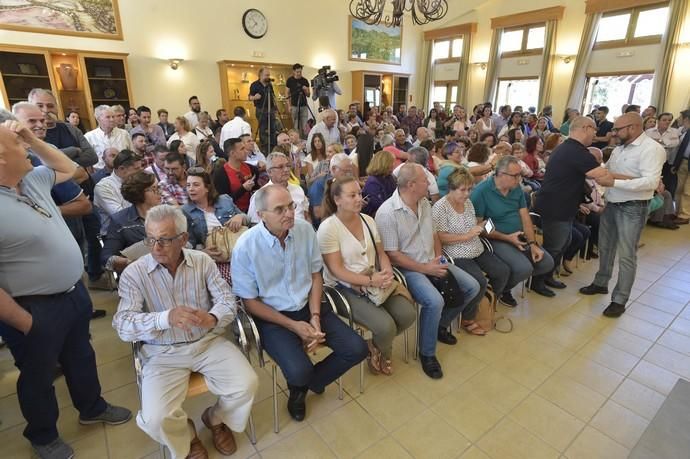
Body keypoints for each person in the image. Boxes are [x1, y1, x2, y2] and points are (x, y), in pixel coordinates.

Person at [0, 118, 131, 459]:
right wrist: (25, 323)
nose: (27, 147)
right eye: (19, 145)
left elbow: (71, 169)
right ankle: (43, 435)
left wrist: (29, 137)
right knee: (38, 375)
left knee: (81, 356)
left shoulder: (31, 180)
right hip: (32, 307)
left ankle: (92, 407)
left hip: (72, 293)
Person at [114, 205, 257, 459]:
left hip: (206, 342)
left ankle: (215, 419)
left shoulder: (202, 261)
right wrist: (164, 318)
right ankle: (188, 436)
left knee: (246, 384)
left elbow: (227, 300)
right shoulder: (135, 273)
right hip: (162, 352)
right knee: (156, 418)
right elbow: (123, 325)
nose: (156, 247)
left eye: (165, 240)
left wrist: (212, 317)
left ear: (183, 239)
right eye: (151, 239)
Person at [231, 185, 367, 421]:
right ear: (261, 215)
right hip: (273, 317)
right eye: (280, 209)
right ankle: (298, 390)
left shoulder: (304, 230)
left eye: (291, 206)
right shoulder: (246, 246)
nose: (290, 213)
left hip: (310, 305)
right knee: (299, 369)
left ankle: (309, 382)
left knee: (357, 349)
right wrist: (294, 327)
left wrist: (314, 317)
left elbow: (316, 275)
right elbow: (250, 303)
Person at [375, 164, 481, 379]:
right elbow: (392, 254)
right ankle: (427, 353)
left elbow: (434, 236)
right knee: (435, 301)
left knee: (472, 287)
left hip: (431, 260)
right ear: (411, 185)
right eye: (425, 179)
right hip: (408, 268)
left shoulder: (424, 203)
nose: (431, 182)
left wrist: (439, 260)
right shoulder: (387, 213)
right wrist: (426, 269)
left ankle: (440, 326)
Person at [317, 176, 415, 375]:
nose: (359, 199)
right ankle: (383, 352)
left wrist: (386, 270)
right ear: (337, 200)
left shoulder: (368, 220)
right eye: (352, 195)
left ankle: (375, 346)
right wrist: (371, 280)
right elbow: (336, 270)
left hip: (374, 280)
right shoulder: (328, 228)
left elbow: (381, 253)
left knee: (408, 314)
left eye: (359, 194)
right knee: (385, 326)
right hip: (344, 288)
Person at [580, 113, 666, 318]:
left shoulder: (652, 149)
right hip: (612, 203)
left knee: (626, 254)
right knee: (605, 247)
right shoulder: (620, 148)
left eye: (618, 129)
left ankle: (619, 299)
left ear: (634, 127)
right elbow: (606, 171)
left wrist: (615, 182)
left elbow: (650, 182)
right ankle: (601, 282)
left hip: (633, 207)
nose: (613, 133)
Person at [532, 117, 612, 291]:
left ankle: (548, 276)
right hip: (555, 207)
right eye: (594, 130)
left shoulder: (571, 148)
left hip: (564, 206)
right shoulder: (575, 151)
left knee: (563, 242)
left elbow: (592, 175)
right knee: (554, 247)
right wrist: (635, 179)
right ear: (585, 128)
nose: (596, 134)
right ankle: (537, 281)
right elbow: (601, 176)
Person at [470, 156, 555, 297]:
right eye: (515, 176)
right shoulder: (481, 192)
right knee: (523, 268)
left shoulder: (515, 189)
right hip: (496, 238)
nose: (519, 179)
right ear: (501, 174)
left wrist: (533, 243)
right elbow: (480, 225)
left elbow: (525, 217)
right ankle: (500, 291)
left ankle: (506, 284)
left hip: (518, 235)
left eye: (520, 175)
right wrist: (507, 238)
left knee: (546, 263)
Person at [434, 167, 514, 307]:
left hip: (476, 247)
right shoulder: (440, 208)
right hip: (457, 253)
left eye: (470, 189)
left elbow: (472, 223)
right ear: (451, 189)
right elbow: (440, 237)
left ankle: (488, 302)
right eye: (463, 190)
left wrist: (483, 225)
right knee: (479, 282)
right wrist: (467, 235)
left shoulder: (467, 203)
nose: (467, 194)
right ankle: (469, 314)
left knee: (503, 271)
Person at [183, 168, 248, 283]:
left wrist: (240, 217)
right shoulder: (186, 211)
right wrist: (202, 253)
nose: (191, 189)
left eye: (196, 185)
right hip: (216, 259)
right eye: (188, 185)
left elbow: (247, 219)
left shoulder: (225, 200)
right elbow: (189, 243)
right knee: (234, 278)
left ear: (207, 188)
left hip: (241, 250)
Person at [101, 171, 160, 274]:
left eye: (159, 187)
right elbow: (106, 258)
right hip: (139, 276)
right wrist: (130, 262)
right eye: (154, 189)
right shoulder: (120, 221)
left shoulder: (168, 214)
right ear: (139, 193)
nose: (160, 192)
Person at [27, 89, 97, 168]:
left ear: (57, 107)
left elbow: (92, 157)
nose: (46, 110)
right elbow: (37, 161)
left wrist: (57, 164)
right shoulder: (28, 133)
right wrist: (74, 150)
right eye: (40, 106)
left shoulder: (71, 128)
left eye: (50, 106)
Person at [247, 152, 310, 222]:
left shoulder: (298, 189)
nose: (286, 169)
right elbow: (254, 223)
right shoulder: (260, 196)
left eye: (288, 165)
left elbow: (307, 216)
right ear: (269, 172)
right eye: (280, 167)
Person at [94, 149, 143, 233]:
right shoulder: (103, 187)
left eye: (141, 167)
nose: (141, 170)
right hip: (118, 233)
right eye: (136, 168)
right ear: (122, 169)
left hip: (142, 227)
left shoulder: (139, 180)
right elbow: (121, 216)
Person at [213, 138, 259, 213]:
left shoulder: (252, 169)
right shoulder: (221, 174)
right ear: (232, 153)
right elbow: (223, 202)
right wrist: (243, 189)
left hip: (252, 210)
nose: (246, 151)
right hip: (233, 212)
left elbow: (256, 189)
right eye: (242, 149)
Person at [85, 105, 133, 169]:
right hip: (101, 173)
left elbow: (132, 153)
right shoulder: (89, 137)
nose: (112, 119)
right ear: (98, 119)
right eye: (108, 117)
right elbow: (87, 161)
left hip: (124, 170)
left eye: (113, 116)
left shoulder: (124, 134)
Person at [309, 153, 354, 221]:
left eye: (350, 172)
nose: (348, 175)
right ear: (333, 169)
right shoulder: (319, 184)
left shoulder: (347, 183)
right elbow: (318, 213)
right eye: (345, 171)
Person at [647, 112, 681, 196]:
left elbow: (675, 143)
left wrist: (659, 141)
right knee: (650, 181)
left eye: (669, 120)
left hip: (666, 162)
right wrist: (665, 143)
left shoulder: (674, 132)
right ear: (658, 121)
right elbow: (646, 144)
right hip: (650, 161)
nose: (667, 122)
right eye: (664, 120)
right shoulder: (649, 131)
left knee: (663, 184)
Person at [249, 67, 279, 152]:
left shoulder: (269, 85)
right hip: (261, 109)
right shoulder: (254, 84)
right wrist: (255, 97)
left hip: (271, 109)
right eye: (266, 75)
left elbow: (273, 96)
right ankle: (265, 149)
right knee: (263, 129)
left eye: (269, 75)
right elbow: (249, 97)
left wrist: (276, 107)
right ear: (260, 75)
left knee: (273, 128)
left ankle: (273, 148)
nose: (268, 77)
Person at [362, 150, 397, 217]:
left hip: (390, 210)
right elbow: (379, 205)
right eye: (391, 163)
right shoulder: (372, 182)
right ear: (384, 164)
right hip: (378, 214)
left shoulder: (389, 177)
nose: (393, 165)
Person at [671, 110, 690, 224]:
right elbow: (681, 149)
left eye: (681, 117)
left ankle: (685, 215)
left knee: (688, 191)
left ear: (687, 119)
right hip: (683, 162)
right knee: (679, 188)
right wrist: (676, 164)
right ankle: (677, 212)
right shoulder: (685, 131)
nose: (679, 119)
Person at [286, 63, 311, 136]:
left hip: (304, 106)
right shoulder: (290, 80)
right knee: (296, 126)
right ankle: (297, 142)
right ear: (293, 71)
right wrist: (289, 105)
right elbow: (287, 93)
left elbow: (308, 95)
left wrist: (306, 90)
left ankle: (305, 142)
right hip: (294, 106)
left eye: (300, 71)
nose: (299, 73)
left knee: (305, 126)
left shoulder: (305, 80)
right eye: (297, 72)